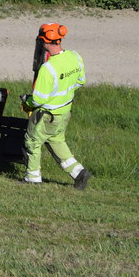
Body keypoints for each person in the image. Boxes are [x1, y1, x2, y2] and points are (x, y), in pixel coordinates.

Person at [21, 23, 91, 189]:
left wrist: (26, 100)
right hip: (64, 113)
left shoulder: (48, 68)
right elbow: (81, 81)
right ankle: (79, 173)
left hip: (46, 115)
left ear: (44, 42)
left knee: (32, 142)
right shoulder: (75, 57)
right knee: (56, 141)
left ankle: (32, 177)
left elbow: (38, 100)